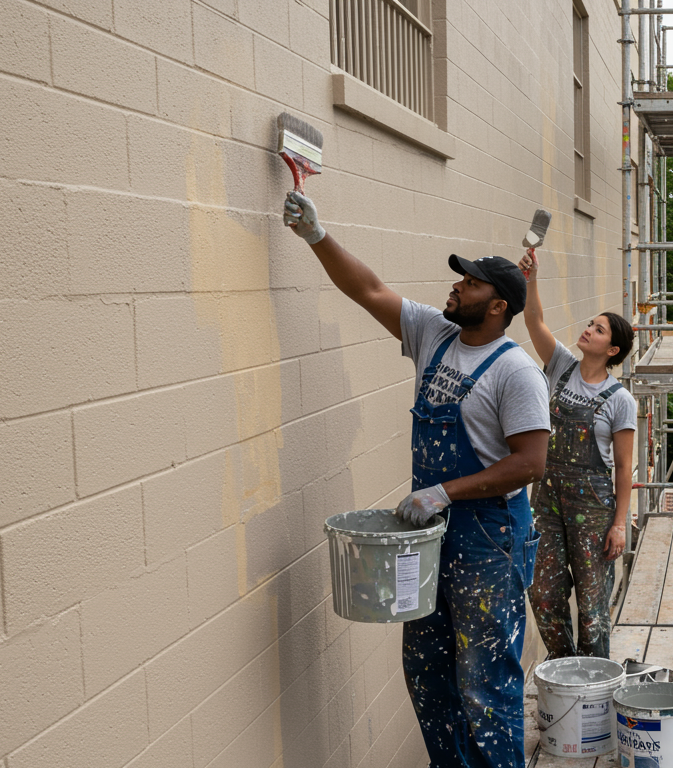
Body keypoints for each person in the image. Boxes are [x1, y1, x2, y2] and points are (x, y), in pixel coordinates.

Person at [283, 191, 549, 768]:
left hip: (488, 539)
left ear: (498, 305)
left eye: (470, 284)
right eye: (459, 281)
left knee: (484, 685)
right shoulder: (435, 334)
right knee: (428, 675)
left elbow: (531, 463)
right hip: (428, 540)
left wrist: (444, 491)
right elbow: (369, 290)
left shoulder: (516, 372)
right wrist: (316, 235)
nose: (455, 287)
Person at [515, 248, 637, 660]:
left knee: (591, 606)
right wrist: (531, 278)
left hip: (595, 506)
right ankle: (565, 669)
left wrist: (619, 524)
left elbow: (623, 467)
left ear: (614, 349)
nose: (588, 330)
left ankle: (596, 685)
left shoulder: (621, 401)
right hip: (547, 500)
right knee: (543, 592)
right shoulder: (561, 367)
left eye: (598, 330)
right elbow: (534, 321)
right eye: (590, 324)